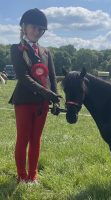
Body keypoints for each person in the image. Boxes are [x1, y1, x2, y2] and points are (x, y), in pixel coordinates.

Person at [9, 8, 61, 183]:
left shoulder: (46, 52)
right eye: (34, 27)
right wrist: (47, 92)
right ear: (24, 27)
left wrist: (56, 98)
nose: (37, 32)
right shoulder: (16, 49)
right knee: (23, 138)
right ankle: (22, 176)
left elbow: (52, 77)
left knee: (36, 139)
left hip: (43, 103)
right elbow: (23, 77)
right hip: (24, 100)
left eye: (41, 29)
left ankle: (33, 175)